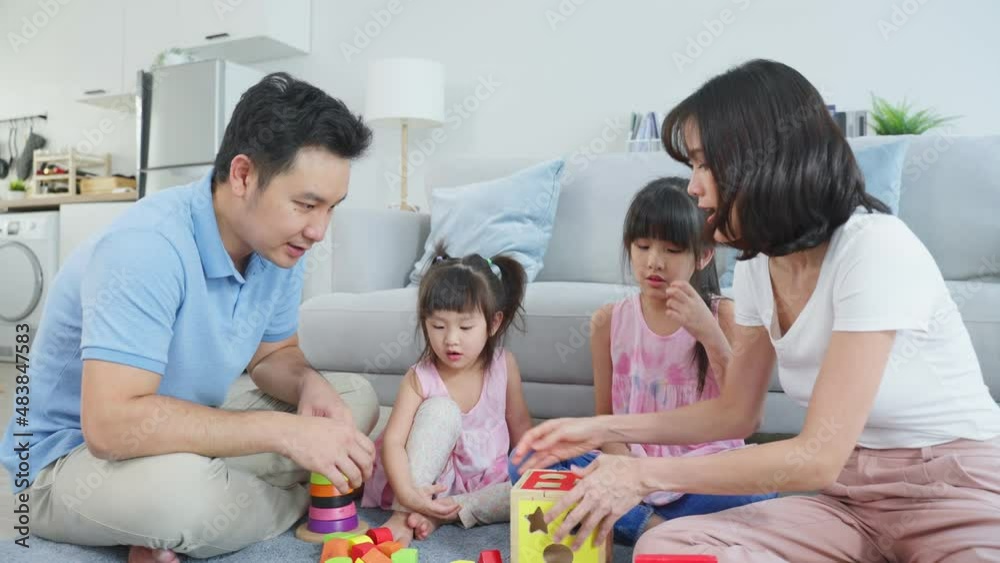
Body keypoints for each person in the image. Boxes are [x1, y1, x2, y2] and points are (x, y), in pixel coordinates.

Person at [513, 59, 1000, 562]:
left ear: (764, 163)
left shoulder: (874, 247)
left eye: (704, 165)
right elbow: (736, 412)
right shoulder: (757, 266)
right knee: (671, 545)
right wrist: (603, 429)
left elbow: (816, 457)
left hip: (952, 490)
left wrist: (641, 474)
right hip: (850, 502)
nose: (693, 186)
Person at [0, 73, 380, 562]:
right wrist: (285, 433)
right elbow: (111, 426)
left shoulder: (279, 246)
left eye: (331, 208)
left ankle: (190, 512)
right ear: (243, 176)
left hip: (179, 427)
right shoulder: (147, 247)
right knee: (186, 499)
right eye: (306, 205)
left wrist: (310, 386)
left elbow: (274, 355)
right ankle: (297, 502)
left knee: (352, 399)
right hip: (68, 460)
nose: (319, 230)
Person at [508, 177, 776, 545]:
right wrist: (626, 472)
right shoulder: (608, 321)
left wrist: (708, 332)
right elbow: (606, 423)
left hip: (700, 476)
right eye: (643, 246)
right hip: (630, 472)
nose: (654, 262)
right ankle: (656, 529)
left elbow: (744, 413)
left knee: (762, 490)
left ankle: (638, 524)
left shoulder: (723, 315)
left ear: (703, 255)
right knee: (524, 462)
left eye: (672, 249)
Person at [361, 244, 533, 545]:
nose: (451, 340)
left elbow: (522, 432)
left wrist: (538, 474)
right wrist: (407, 495)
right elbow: (394, 442)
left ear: (493, 323)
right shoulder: (420, 377)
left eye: (465, 327)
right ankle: (406, 515)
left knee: (528, 494)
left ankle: (446, 512)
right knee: (441, 409)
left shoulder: (504, 365)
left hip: (484, 484)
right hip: (422, 482)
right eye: (438, 326)